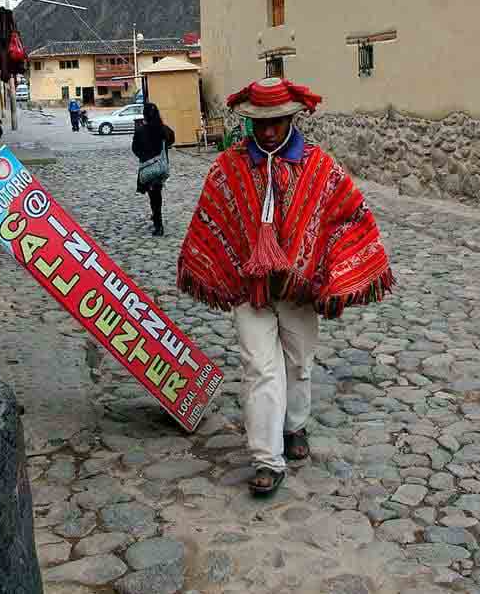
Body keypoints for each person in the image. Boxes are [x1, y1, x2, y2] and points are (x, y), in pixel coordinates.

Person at [177, 78, 393, 497]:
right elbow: (212, 219)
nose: (269, 130)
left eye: (277, 121)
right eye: (261, 123)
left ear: (292, 117)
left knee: (299, 364)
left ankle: (295, 427)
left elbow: (350, 216)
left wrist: (330, 270)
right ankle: (266, 458)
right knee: (260, 368)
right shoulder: (229, 168)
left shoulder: (319, 167)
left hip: (299, 291)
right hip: (249, 289)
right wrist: (219, 266)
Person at [132, 103, 174, 236]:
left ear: (144, 115)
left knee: (153, 196)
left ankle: (158, 224)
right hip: (160, 167)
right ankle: (156, 218)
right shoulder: (163, 129)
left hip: (148, 167)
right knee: (157, 194)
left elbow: (135, 148)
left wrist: (144, 157)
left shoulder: (140, 130)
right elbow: (171, 139)